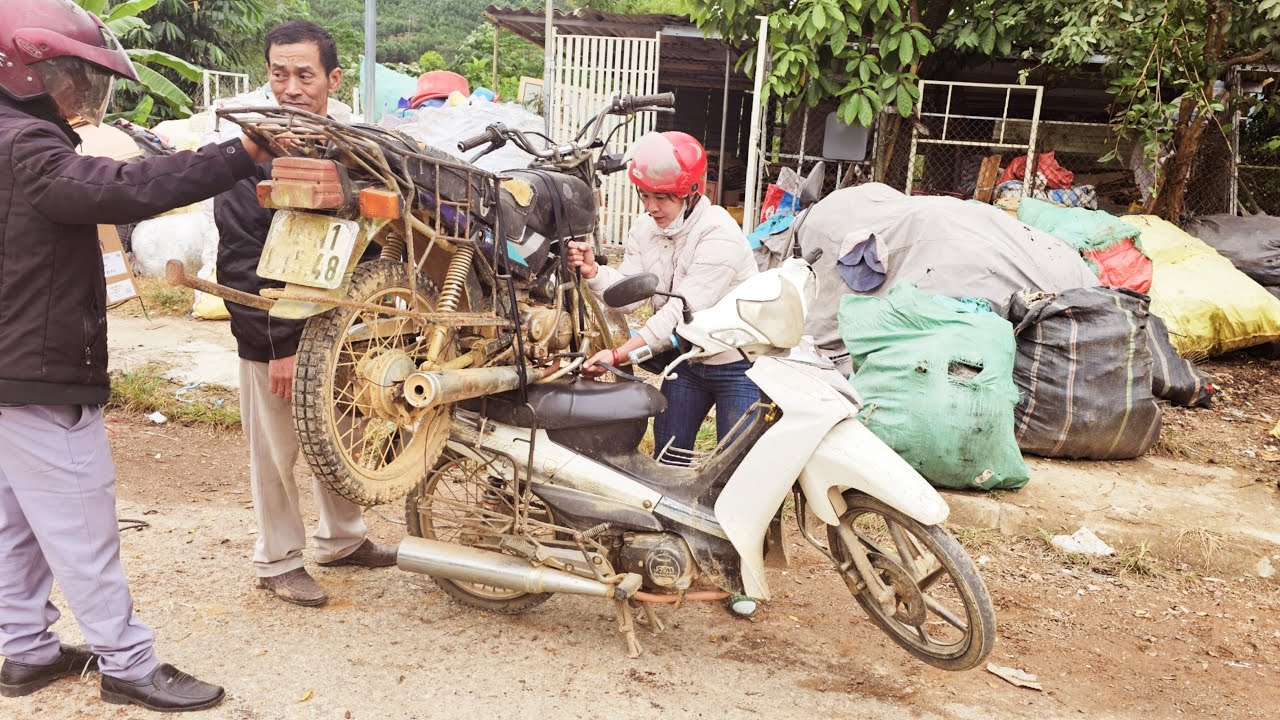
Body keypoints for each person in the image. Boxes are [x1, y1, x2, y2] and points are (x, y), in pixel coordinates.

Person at [0, 0, 274, 712]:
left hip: (9, 362)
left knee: (18, 522)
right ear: (23, 69)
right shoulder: (26, 146)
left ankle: (25, 651)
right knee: (82, 522)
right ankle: (128, 663)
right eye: (67, 77)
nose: (79, 97)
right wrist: (237, 156)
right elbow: (120, 188)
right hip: (37, 364)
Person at [214, 20, 396, 609]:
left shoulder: (350, 145)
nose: (290, 87)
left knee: (337, 435)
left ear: (332, 79)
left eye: (304, 74)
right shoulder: (252, 153)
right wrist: (278, 342)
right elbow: (241, 261)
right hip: (273, 330)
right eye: (278, 73)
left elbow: (370, 241)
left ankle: (343, 539)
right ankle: (278, 559)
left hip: (338, 327)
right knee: (276, 449)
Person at [567, 131, 759, 459]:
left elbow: (676, 314)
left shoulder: (719, 234)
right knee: (668, 456)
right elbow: (631, 295)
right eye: (644, 195)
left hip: (738, 363)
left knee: (736, 467)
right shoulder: (645, 228)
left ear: (691, 192)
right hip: (686, 359)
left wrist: (618, 355)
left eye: (664, 197)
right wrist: (593, 273)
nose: (651, 207)